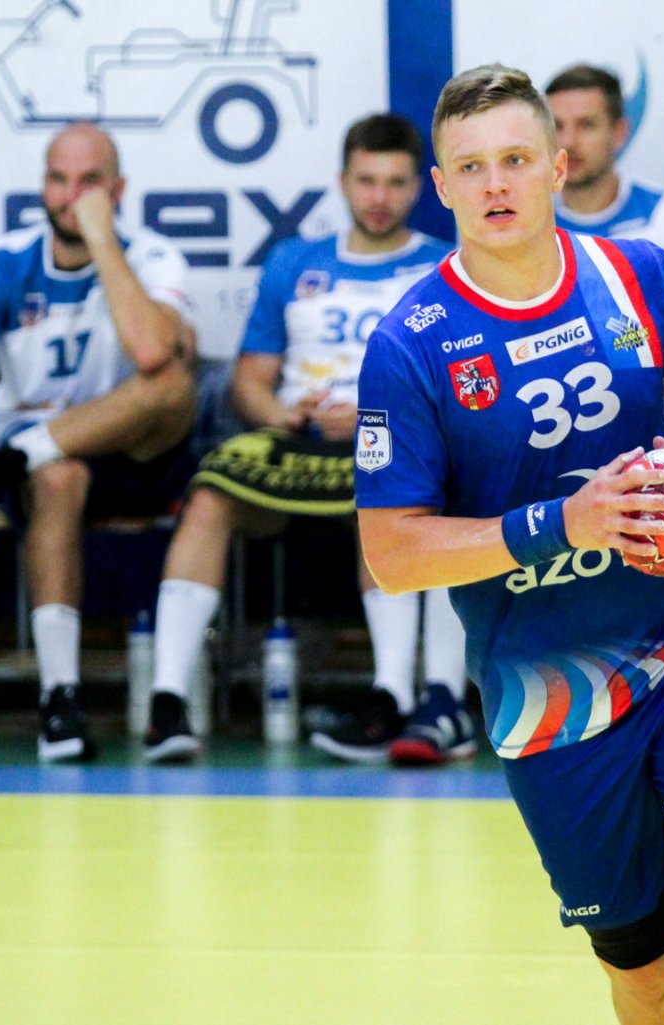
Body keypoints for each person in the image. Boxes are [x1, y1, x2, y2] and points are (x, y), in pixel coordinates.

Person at [355, 65, 664, 1025]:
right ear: (442, 186)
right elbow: (394, 552)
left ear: (559, 165)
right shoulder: (410, 342)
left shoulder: (640, 275)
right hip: (549, 691)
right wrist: (563, 523)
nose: (496, 184)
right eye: (472, 167)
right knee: (649, 971)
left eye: (515, 159)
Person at [139, 113, 474, 766]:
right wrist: (282, 412)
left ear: (420, 188)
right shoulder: (294, 261)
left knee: (390, 493)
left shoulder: (445, 267)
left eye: (395, 183)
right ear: (343, 182)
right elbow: (249, 380)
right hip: (298, 433)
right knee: (209, 494)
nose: (379, 197)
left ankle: (394, 696)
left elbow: (459, 381)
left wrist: (377, 413)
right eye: (366, 181)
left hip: (390, 438)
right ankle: (167, 701)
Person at [0, 121, 196, 762]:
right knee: (59, 476)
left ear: (118, 190)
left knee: (171, 382)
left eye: (89, 182)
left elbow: (151, 352)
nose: (70, 196)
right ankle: (60, 699)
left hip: (129, 449)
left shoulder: (152, 254)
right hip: (42, 471)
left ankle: (31, 450)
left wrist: (103, 240)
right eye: (58, 180)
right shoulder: (2, 260)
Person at [545, 64, 664, 449]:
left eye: (586, 125)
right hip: (548, 426)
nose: (568, 142)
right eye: (556, 126)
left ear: (619, 132)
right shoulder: (524, 223)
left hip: (654, 429)